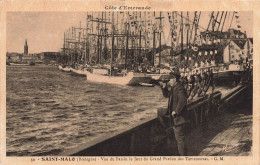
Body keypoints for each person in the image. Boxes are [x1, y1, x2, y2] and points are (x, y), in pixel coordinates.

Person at [159, 67, 189, 156]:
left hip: (179, 119)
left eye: (170, 79)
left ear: (175, 79)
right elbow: (167, 95)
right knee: (179, 139)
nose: (169, 81)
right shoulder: (174, 87)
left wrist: (176, 111)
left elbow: (183, 100)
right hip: (176, 119)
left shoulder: (179, 87)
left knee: (180, 140)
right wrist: (164, 88)